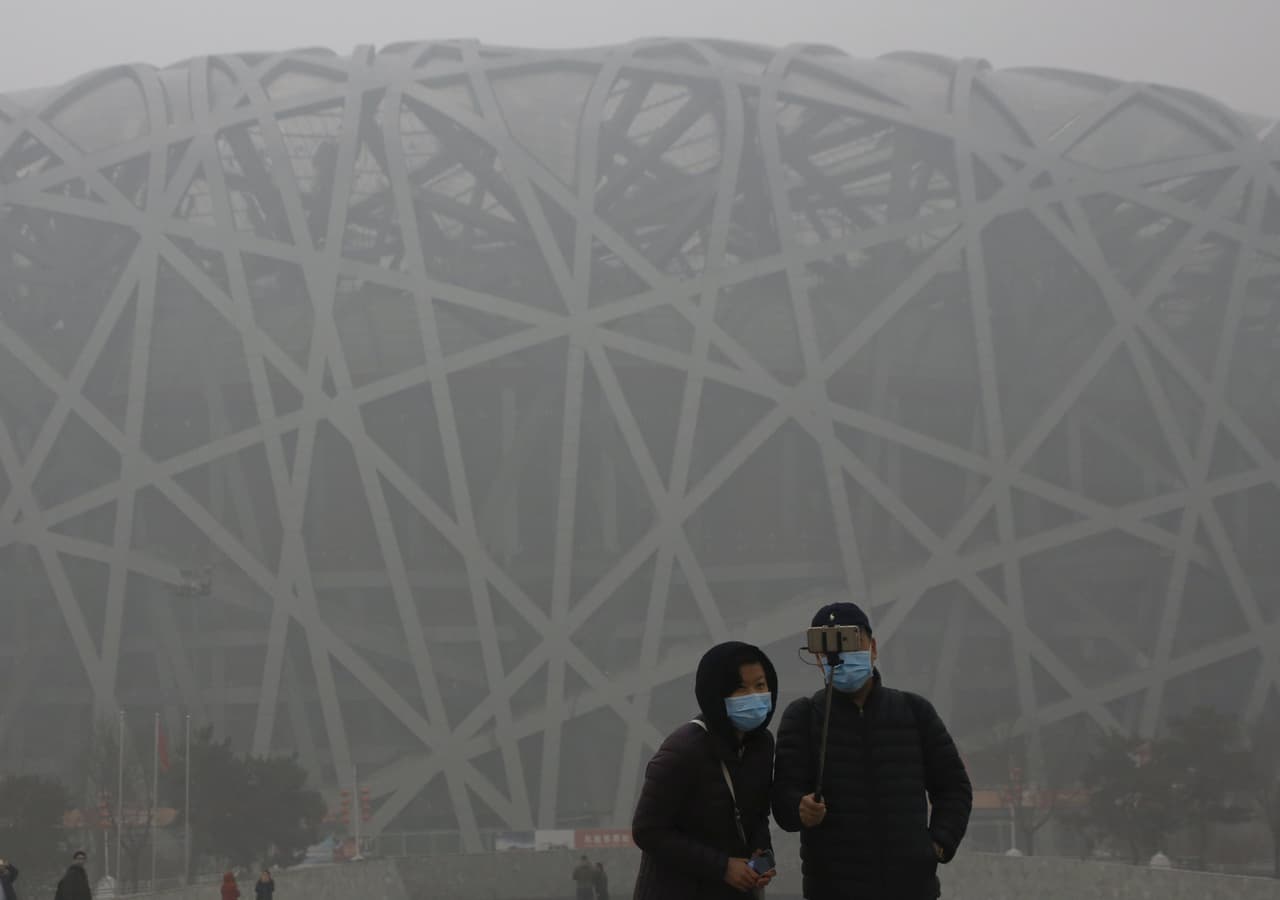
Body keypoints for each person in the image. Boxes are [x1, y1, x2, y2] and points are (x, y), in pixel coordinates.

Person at [772, 602, 973, 900]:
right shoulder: (803, 716)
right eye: (828, 649)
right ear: (818, 660)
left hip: (911, 888)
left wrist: (937, 845)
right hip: (833, 889)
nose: (839, 656)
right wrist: (799, 808)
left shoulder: (915, 712)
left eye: (851, 642)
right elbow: (782, 800)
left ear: (873, 647)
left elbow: (954, 787)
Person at [631, 641, 779, 900]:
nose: (754, 696)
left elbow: (756, 815)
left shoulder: (762, 744)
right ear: (716, 694)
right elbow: (647, 830)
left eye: (760, 685)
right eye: (740, 688)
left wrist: (762, 855)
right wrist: (722, 867)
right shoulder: (683, 750)